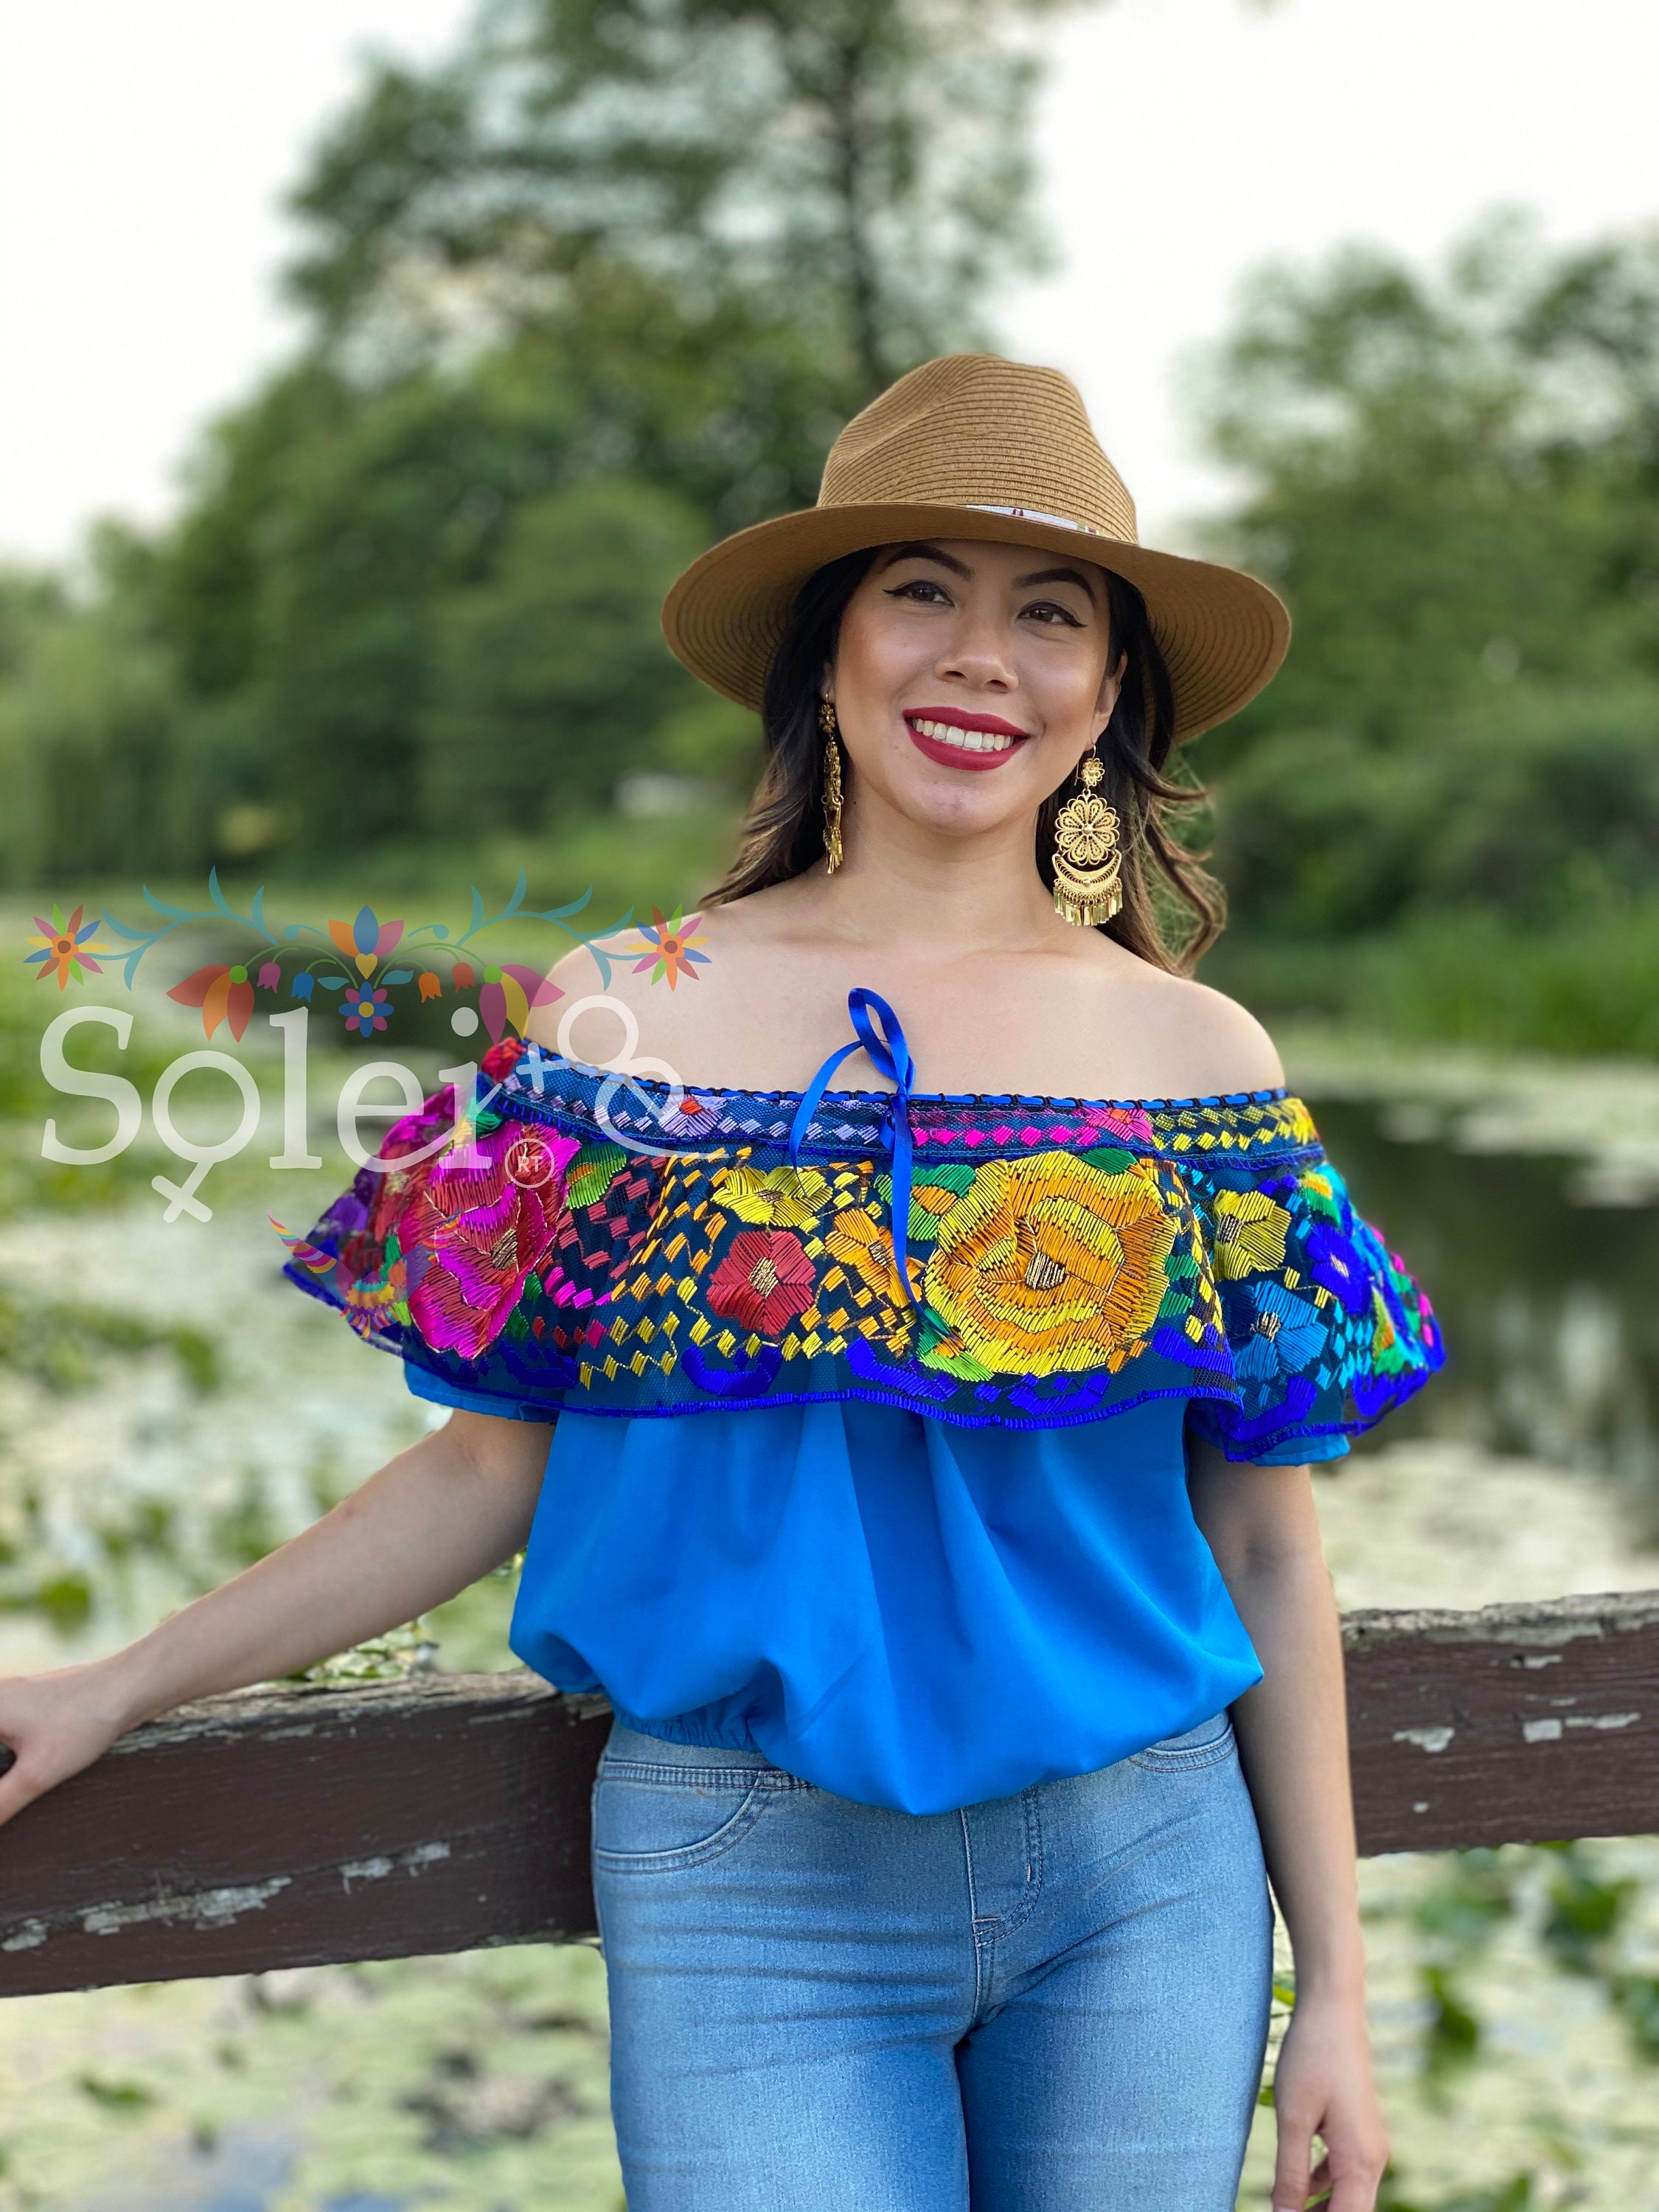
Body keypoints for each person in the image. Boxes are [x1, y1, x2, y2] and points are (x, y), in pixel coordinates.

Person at [0, 355, 1441, 2212]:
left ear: (1107, 697)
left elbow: (1266, 1539)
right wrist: (124, 1681)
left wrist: (1335, 1984)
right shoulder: (619, 1013)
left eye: (1050, 613)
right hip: (752, 1890)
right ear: (827, 651)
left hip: (1145, 1876)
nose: (980, 656)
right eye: (920, 588)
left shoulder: (1200, 1058)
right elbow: (479, 1470)